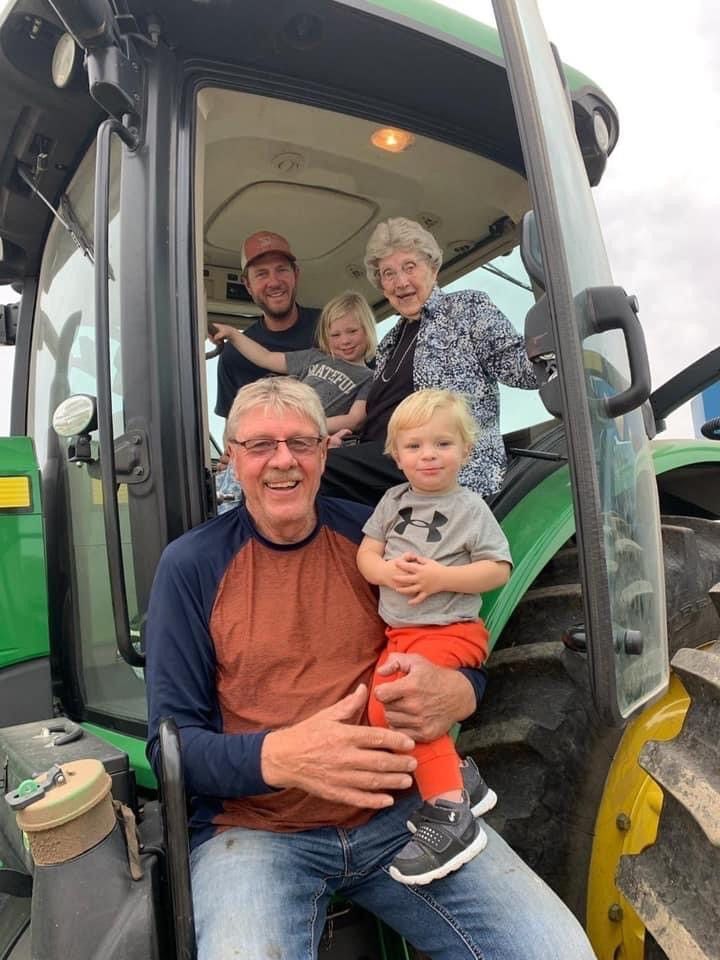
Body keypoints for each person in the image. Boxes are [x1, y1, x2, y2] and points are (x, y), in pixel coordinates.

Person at [145, 377, 597, 960]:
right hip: (258, 832)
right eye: (260, 445)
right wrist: (280, 757)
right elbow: (171, 750)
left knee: (557, 953)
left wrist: (460, 691)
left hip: (403, 819)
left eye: (301, 443)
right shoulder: (192, 566)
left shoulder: (377, 542)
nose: (282, 461)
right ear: (232, 457)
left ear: (325, 451)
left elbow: (452, 637)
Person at [358, 389, 510, 886]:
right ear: (396, 454)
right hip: (401, 632)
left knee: (399, 708)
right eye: (415, 445)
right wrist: (386, 571)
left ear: (465, 451)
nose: (428, 454)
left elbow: (497, 570)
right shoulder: (391, 501)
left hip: (450, 630)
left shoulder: (471, 509)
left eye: (443, 443)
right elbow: (367, 555)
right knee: (377, 709)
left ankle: (451, 818)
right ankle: (458, 778)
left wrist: (439, 579)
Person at [321, 216, 538, 505]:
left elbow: (520, 368)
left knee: (310, 468)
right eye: (388, 273)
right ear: (381, 286)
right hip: (388, 464)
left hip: (437, 462)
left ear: (433, 268)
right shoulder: (389, 343)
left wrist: (559, 339)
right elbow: (380, 417)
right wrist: (343, 443)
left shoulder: (465, 309)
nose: (401, 282)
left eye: (409, 267)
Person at [212, 290, 376, 434]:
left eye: (352, 331)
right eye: (335, 335)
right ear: (326, 337)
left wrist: (307, 427)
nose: (345, 341)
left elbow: (355, 420)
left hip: (312, 436)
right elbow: (266, 357)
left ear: (367, 330)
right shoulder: (315, 357)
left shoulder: (369, 378)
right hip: (281, 425)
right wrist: (233, 334)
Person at [214, 230, 319, 419]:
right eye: (262, 274)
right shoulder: (234, 355)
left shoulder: (333, 329)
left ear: (296, 274)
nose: (274, 282)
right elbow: (232, 431)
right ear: (248, 285)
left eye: (281, 270)